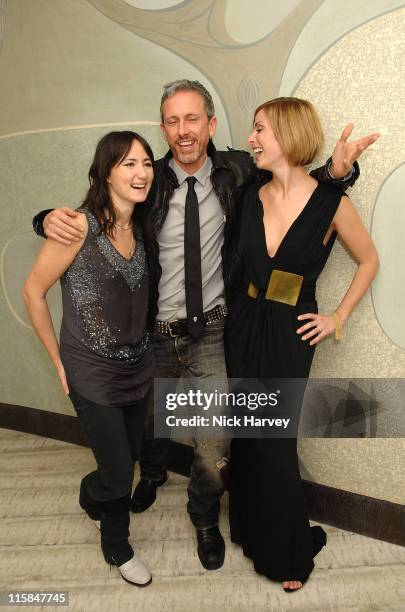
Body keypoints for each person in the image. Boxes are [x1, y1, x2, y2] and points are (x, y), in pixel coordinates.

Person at [32, 79, 378, 570]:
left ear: (211, 124)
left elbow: (293, 182)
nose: (183, 131)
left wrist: (339, 172)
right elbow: (97, 208)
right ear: (163, 129)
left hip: (216, 329)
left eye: (192, 119)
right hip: (152, 332)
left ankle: (203, 516)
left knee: (213, 435)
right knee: (150, 426)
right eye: (172, 121)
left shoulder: (237, 171)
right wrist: (46, 218)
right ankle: (148, 478)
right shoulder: (147, 179)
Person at [224, 97, 379, 591]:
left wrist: (336, 317)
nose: (252, 139)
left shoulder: (333, 204)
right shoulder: (250, 193)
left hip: (292, 327)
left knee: (275, 438)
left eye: (260, 129)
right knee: (248, 430)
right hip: (245, 322)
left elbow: (369, 260)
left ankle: (289, 551)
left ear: (288, 135)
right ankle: (249, 528)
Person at [24, 131, 155, 586]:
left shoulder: (139, 227)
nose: (140, 174)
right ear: (105, 172)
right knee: (120, 474)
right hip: (90, 370)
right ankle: (117, 546)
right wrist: (57, 358)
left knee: (128, 457)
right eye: (128, 164)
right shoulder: (77, 226)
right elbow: (33, 291)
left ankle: (90, 493)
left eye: (146, 163)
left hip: (138, 366)